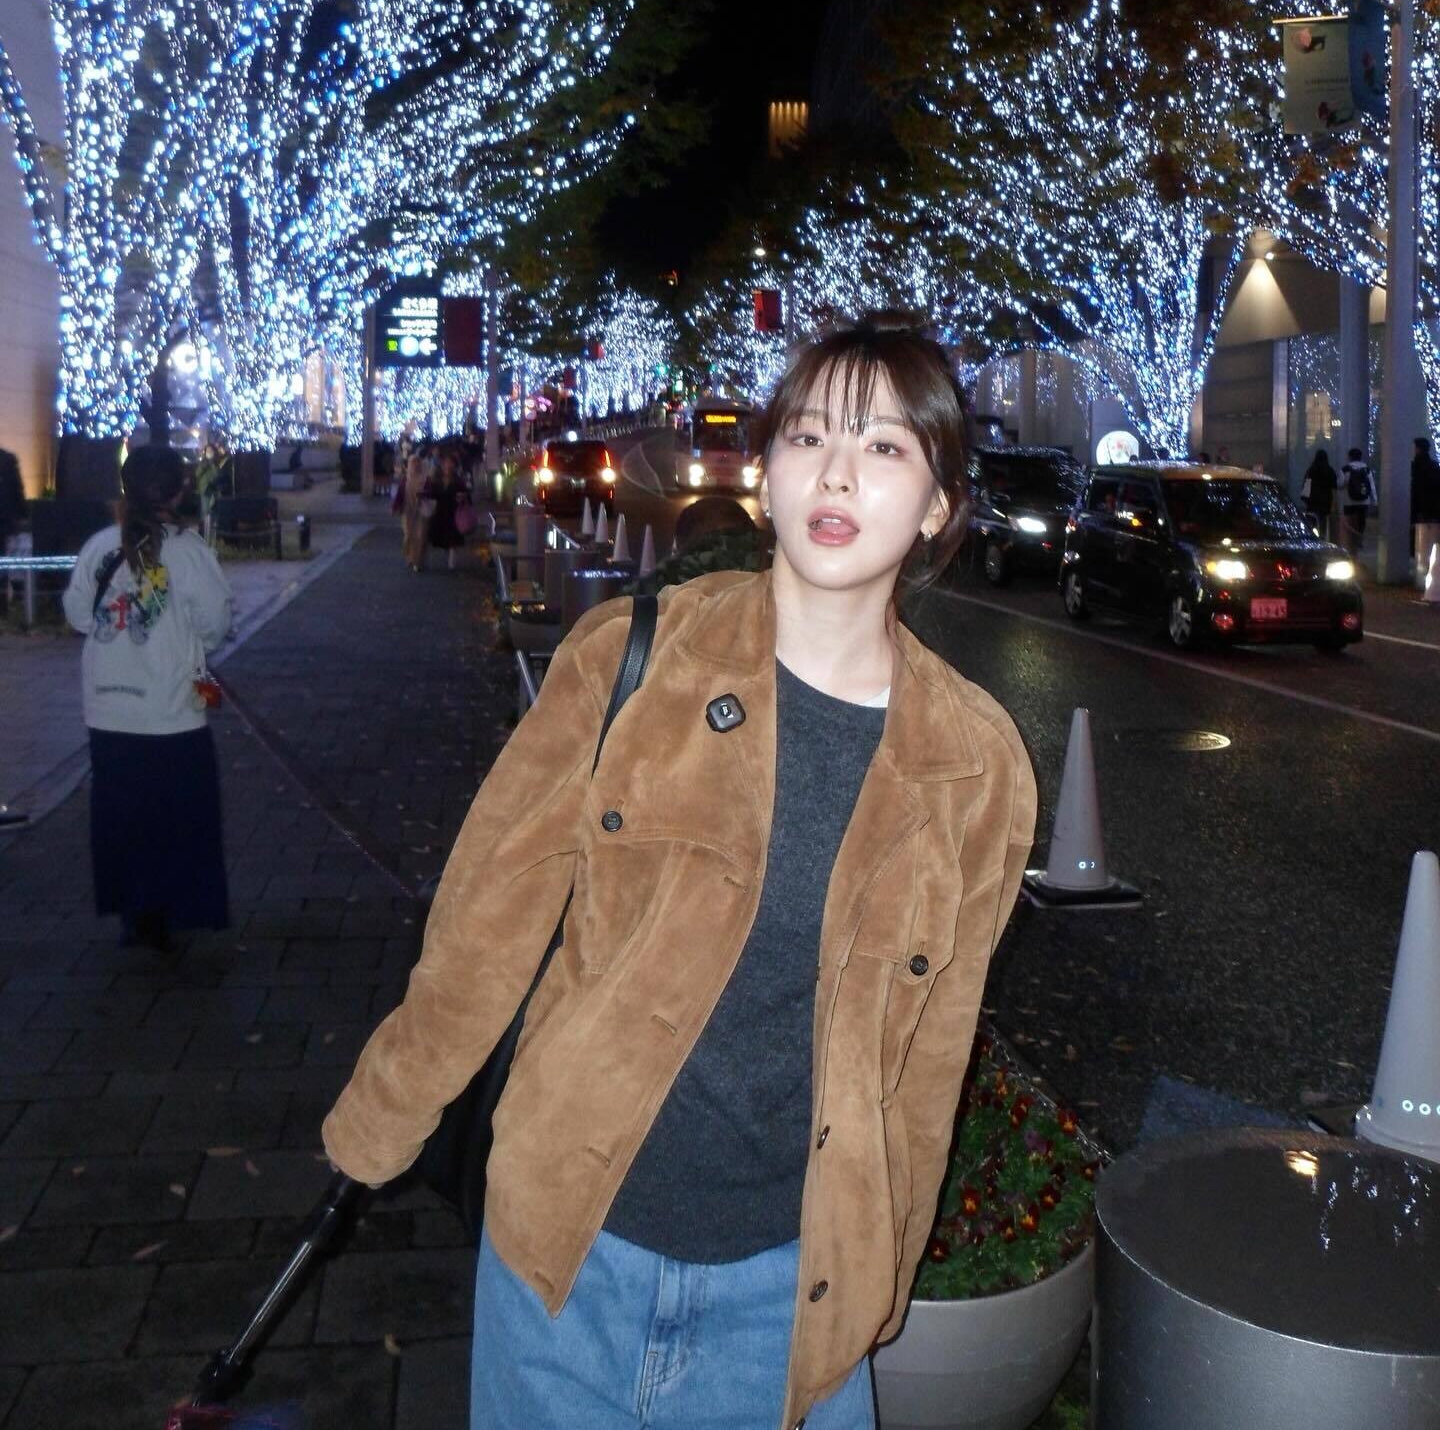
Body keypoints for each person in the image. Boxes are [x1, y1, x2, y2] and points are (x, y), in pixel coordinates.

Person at [322, 309, 1037, 1430]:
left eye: (885, 446)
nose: (837, 472)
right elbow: (484, 927)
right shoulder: (631, 659)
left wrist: (883, 1269)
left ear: (940, 503)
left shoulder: (975, 767)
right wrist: (383, 1119)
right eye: (808, 435)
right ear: (768, 469)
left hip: (790, 1299)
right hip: (567, 1256)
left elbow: (930, 1055)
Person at [62, 445, 233, 949]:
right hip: (170, 706)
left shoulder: (100, 546)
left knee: (122, 815)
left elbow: (77, 615)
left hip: (108, 707)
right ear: (179, 491)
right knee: (178, 815)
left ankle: (134, 910)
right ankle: (174, 909)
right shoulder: (189, 551)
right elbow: (215, 623)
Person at [427, 450, 471, 572]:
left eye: (450, 463)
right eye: (445, 463)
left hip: (454, 512)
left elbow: (466, 495)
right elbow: (432, 493)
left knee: (453, 537)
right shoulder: (436, 479)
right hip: (440, 511)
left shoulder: (458, 480)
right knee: (442, 535)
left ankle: (452, 560)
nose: (447, 466)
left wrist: (463, 497)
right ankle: (448, 552)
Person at [1411, 436, 1440, 603]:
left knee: (1422, 547)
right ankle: (1430, 578)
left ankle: (1422, 580)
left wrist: (1417, 511)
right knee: (1433, 547)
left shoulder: (1417, 466)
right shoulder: (1434, 466)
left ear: (1418, 449)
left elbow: (1417, 490)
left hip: (1422, 512)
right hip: (1434, 512)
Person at [1340, 446, 1377, 557]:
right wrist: (1375, 501)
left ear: (1350, 457)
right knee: (1361, 522)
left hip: (1349, 501)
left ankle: (1349, 541)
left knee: (1349, 522)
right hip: (1364, 501)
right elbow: (1371, 486)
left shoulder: (1345, 469)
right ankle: (1359, 541)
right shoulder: (1367, 469)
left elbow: (1340, 484)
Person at [401, 448, 432, 572]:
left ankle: (418, 561)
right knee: (409, 535)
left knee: (421, 535)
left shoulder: (426, 480)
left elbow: (432, 493)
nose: (416, 466)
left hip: (422, 511)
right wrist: (396, 507)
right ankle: (410, 557)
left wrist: (423, 495)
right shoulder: (405, 480)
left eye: (417, 463)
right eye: (413, 463)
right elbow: (399, 495)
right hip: (408, 511)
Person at [1300, 447, 1338, 539]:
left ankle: (1311, 537)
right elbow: (1334, 489)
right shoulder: (1330, 471)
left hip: (1312, 500)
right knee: (1323, 522)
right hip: (1325, 501)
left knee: (1311, 521)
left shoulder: (1311, 470)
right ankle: (1322, 537)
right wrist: (1333, 505)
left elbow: (1306, 484)